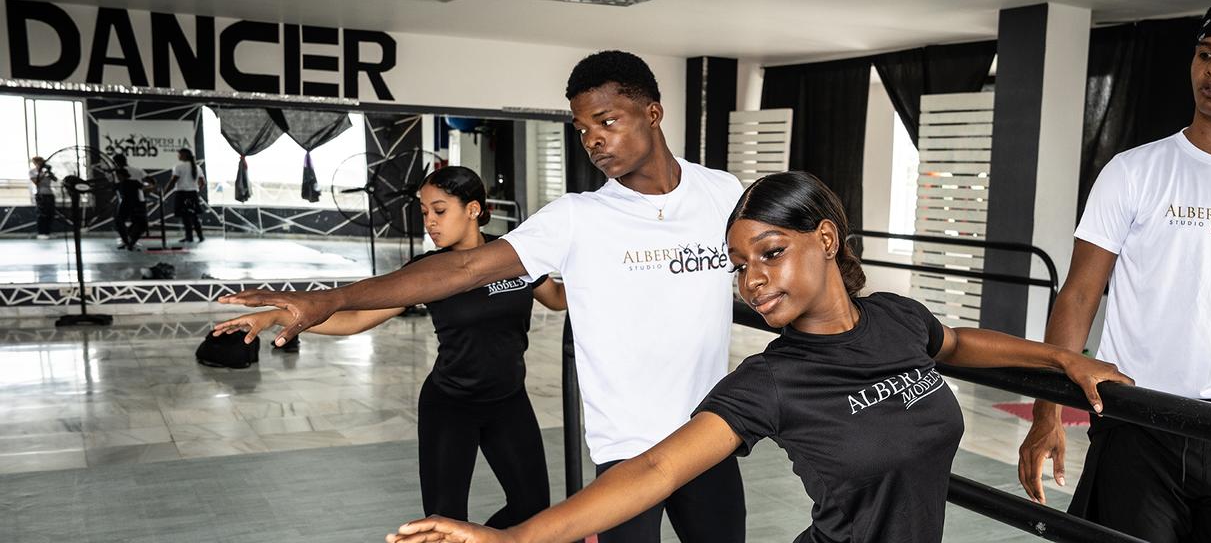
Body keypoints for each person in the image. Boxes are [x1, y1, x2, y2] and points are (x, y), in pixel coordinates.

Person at [384, 171, 1132, 543]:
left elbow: (961, 342)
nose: (752, 280)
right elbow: (656, 469)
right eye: (740, 265)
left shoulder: (897, 319)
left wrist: (1064, 361)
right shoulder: (771, 379)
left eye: (770, 253)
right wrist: (512, 538)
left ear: (826, 240)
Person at [221, 50, 749, 543]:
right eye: (582, 129)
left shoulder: (723, 195)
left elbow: (767, 272)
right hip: (627, 449)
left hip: (708, 433)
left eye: (606, 122)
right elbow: (464, 269)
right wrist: (330, 299)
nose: (592, 140)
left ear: (653, 113)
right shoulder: (577, 218)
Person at [1015, 0, 1211, 543]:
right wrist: (1046, 410)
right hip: (1139, 418)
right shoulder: (1134, 171)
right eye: (1205, 54)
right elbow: (1079, 295)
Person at [214, 166, 566, 526]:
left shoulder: (513, 256)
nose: (429, 222)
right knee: (444, 523)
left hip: (509, 402)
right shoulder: (428, 270)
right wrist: (277, 316)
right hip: (451, 406)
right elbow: (355, 318)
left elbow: (556, 297)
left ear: (473, 209)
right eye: (424, 212)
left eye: (439, 210)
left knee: (532, 509)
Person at [112, 154, 152, 251]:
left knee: (129, 222)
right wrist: (148, 189)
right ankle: (129, 241)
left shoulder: (119, 175)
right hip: (137, 200)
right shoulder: (137, 171)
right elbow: (151, 181)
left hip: (131, 201)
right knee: (137, 222)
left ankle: (129, 241)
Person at [166, 148, 205, 243]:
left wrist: (165, 192)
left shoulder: (178, 167)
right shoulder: (197, 167)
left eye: (179, 154)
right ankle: (200, 236)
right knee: (194, 216)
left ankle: (189, 237)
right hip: (193, 194)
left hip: (182, 194)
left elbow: (173, 181)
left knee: (185, 217)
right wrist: (196, 190)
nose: (178, 156)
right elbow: (202, 182)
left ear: (184, 155)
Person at [28, 156, 56, 239]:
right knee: (42, 214)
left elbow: (55, 179)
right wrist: (43, 174)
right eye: (38, 162)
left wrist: (49, 173)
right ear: (35, 163)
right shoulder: (32, 172)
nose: (40, 163)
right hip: (40, 194)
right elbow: (36, 182)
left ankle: (48, 232)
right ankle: (41, 233)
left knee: (50, 213)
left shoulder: (46, 170)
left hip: (49, 193)